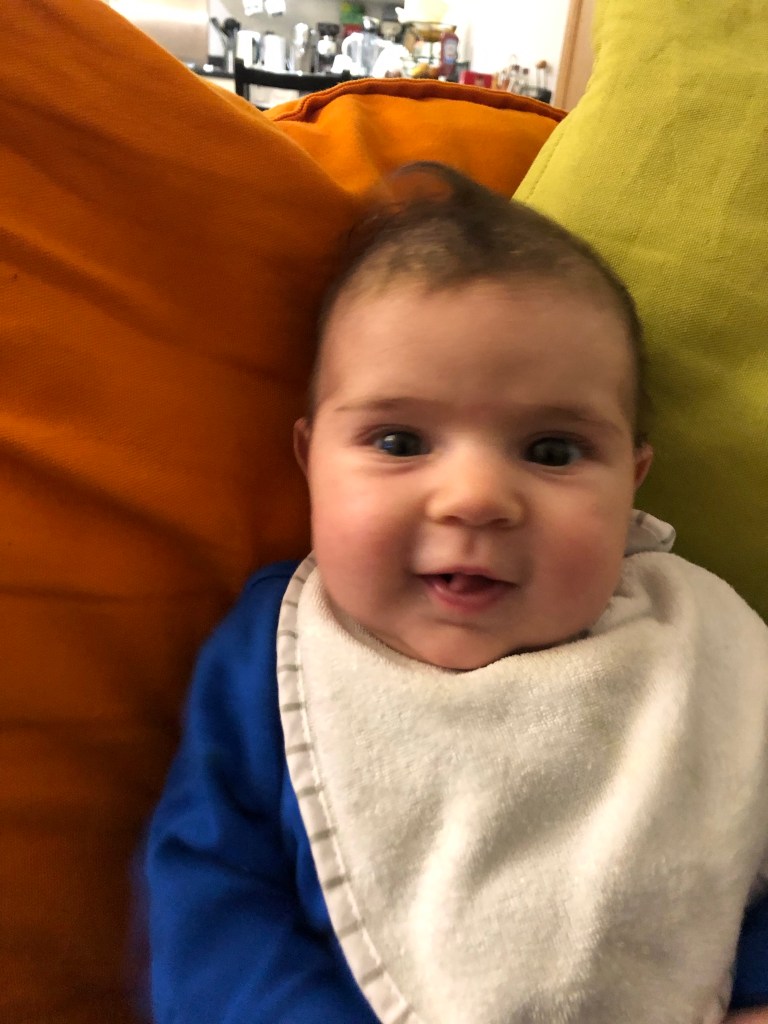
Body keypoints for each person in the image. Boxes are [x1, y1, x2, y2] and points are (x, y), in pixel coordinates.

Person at [144, 163, 768, 1024]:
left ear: (633, 481)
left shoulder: (699, 648)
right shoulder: (278, 653)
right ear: (310, 460)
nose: (474, 498)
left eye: (552, 451)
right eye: (399, 441)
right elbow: (211, 899)